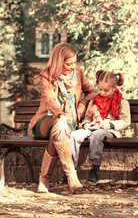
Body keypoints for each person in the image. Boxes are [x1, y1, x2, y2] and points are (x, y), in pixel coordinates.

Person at [28, 42, 96, 193]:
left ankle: (44, 179)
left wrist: (83, 102)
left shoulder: (78, 74)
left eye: (74, 63)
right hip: (47, 119)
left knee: (59, 131)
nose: (72, 66)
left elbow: (92, 92)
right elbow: (49, 99)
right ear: (59, 61)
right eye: (68, 64)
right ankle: (72, 177)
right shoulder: (47, 75)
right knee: (57, 125)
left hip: (67, 125)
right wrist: (61, 116)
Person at [70, 70, 131, 185]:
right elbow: (87, 117)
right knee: (74, 135)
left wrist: (110, 125)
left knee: (97, 135)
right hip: (93, 127)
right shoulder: (94, 101)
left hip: (109, 129)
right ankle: (70, 170)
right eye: (100, 89)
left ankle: (95, 168)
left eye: (106, 90)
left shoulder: (122, 103)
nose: (102, 92)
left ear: (115, 87)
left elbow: (125, 121)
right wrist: (85, 124)